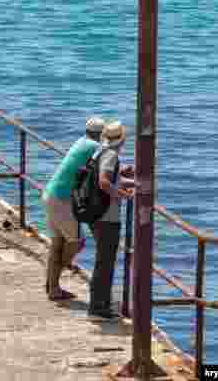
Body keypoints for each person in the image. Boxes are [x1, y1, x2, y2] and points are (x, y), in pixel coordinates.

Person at [43, 117, 104, 301]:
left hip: (50, 193)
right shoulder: (95, 147)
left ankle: (52, 286)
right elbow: (102, 174)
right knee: (77, 242)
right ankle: (53, 283)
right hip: (62, 199)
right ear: (101, 134)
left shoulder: (80, 141)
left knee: (58, 243)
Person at [87, 120, 137, 319]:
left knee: (102, 260)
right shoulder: (111, 154)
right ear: (121, 139)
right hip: (107, 216)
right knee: (105, 262)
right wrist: (122, 195)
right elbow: (103, 182)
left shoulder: (99, 151)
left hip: (97, 214)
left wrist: (121, 175)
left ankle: (99, 304)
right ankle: (99, 307)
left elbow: (107, 177)